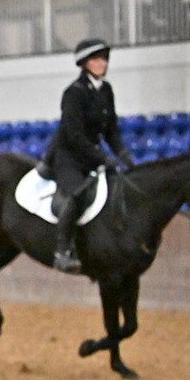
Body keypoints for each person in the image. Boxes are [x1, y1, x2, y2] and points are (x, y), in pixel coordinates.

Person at [46, 38, 134, 274]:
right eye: (96, 59)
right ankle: (62, 251)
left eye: (104, 58)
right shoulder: (73, 94)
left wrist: (123, 154)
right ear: (85, 63)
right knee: (77, 193)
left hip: (92, 155)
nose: (101, 63)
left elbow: (111, 129)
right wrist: (102, 158)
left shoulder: (106, 90)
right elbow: (74, 136)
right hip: (68, 157)